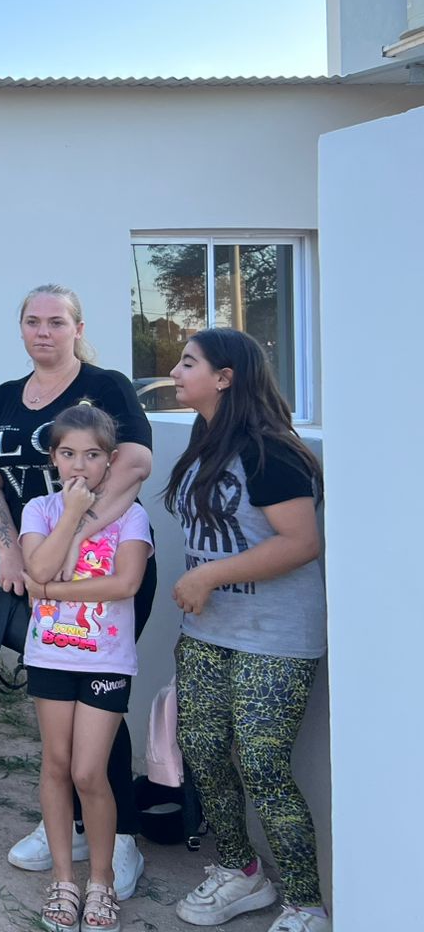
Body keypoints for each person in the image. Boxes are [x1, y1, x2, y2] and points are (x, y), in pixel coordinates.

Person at [0, 283, 154, 898]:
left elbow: (134, 464)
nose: (43, 331)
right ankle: (71, 827)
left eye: (56, 321)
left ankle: (120, 836)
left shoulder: (106, 387)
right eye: (32, 321)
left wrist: (77, 532)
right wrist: (12, 551)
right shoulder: (4, 397)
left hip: (102, 562)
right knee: (57, 696)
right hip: (34, 564)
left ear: (78, 328)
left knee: (101, 699)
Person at [165, 330, 330, 932]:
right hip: (207, 632)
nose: (175, 372)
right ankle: (242, 872)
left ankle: (306, 903)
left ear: (225, 377)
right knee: (204, 752)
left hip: (275, 637)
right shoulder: (204, 440)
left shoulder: (269, 451)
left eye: (188, 362)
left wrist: (210, 575)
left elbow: (302, 542)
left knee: (262, 764)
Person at [20, 403, 153, 931]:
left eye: (93, 455)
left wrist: (50, 591)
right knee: (56, 765)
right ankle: (63, 879)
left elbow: (125, 583)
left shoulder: (131, 515)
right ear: (53, 458)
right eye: (69, 454)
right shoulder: (39, 509)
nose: (80, 465)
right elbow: (36, 565)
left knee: (88, 771)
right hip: (51, 656)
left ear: (110, 460)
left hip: (105, 660)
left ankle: (101, 880)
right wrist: (71, 518)